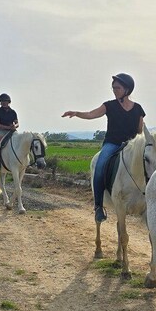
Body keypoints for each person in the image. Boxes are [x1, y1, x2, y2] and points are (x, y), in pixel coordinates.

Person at [62, 73, 145, 223]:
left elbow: (140, 131)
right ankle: (99, 206)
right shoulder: (109, 105)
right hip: (112, 143)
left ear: (127, 89)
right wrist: (76, 113)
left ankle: (147, 198)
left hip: (132, 146)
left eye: (117, 88)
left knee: (148, 164)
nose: (114, 90)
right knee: (100, 165)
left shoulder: (138, 109)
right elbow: (90, 114)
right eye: (113, 88)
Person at [0, 93, 19, 169]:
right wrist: (8, 127)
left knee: (20, 140)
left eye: (5, 101)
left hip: (12, 130)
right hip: (1, 130)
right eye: (2, 101)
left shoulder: (13, 112)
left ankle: (23, 160)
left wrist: (15, 126)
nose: (4, 102)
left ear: (8, 102)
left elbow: (17, 123)